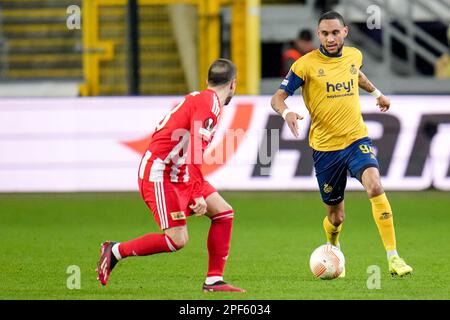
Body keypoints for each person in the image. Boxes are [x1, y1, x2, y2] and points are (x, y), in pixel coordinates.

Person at [271, 11, 413, 277]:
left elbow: (356, 74)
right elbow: (277, 98)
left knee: (375, 185)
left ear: (345, 32)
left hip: (356, 138)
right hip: (325, 149)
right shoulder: (305, 65)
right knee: (336, 217)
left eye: (335, 32)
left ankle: (394, 258)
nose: (330, 38)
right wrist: (287, 112)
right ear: (318, 35)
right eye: (325, 33)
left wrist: (377, 93)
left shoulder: (354, 55)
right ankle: (334, 246)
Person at [96, 58, 245, 292]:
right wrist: (196, 194)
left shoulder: (200, 97)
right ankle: (115, 251)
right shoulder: (210, 106)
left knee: (224, 213)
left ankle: (214, 280)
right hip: (160, 173)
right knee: (177, 239)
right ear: (234, 84)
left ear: (207, 81)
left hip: (178, 171)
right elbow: (196, 152)